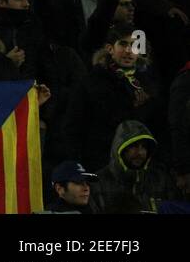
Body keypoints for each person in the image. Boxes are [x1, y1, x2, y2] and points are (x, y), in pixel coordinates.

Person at [61, 27, 163, 172]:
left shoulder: (148, 83)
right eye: (123, 44)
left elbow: (158, 124)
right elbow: (73, 126)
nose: (128, 50)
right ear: (110, 48)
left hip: (142, 167)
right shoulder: (92, 82)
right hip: (101, 164)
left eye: (134, 45)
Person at [92, 120, 177, 212]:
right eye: (134, 146)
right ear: (120, 148)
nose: (140, 152)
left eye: (144, 146)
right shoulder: (98, 183)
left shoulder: (161, 180)